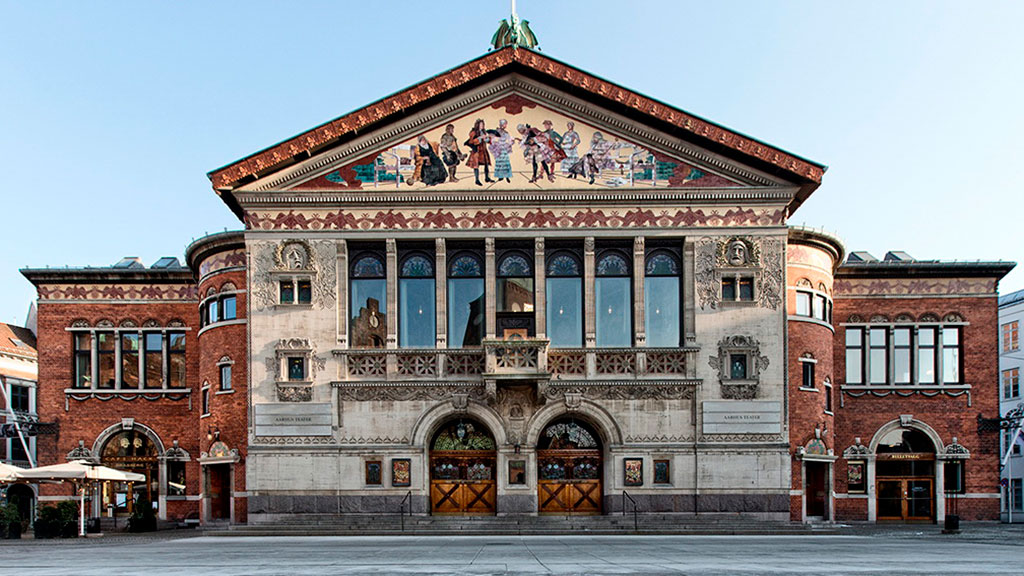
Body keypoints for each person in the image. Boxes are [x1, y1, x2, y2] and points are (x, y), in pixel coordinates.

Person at [465, 119, 495, 186]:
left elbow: (487, 141)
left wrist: (488, 138)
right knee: (476, 165)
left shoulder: (483, 132)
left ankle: (487, 178)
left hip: (483, 150)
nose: (482, 126)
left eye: (483, 124)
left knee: (486, 164)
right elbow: (471, 141)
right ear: (477, 125)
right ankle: (477, 180)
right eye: (481, 124)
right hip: (477, 151)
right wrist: (480, 138)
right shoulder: (473, 132)